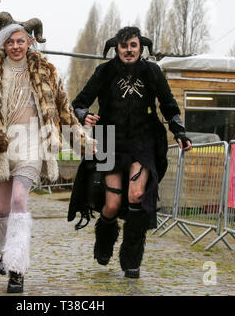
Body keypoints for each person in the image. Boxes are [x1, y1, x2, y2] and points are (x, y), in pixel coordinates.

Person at [0, 12, 95, 293]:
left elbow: (65, 113)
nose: (16, 46)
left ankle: (16, 270)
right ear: (3, 44)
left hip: (32, 143)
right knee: (3, 208)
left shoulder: (47, 71)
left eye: (21, 41)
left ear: (30, 42)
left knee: (20, 200)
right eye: (10, 42)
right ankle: (6, 253)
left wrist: (85, 144)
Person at [68, 26, 192, 279]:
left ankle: (131, 260)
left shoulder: (152, 71)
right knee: (111, 204)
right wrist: (83, 115)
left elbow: (168, 105)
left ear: (140, 47)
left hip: (143, 140)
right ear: (117, 48)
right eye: (124, 46)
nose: (128, 50)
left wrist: (179, 131)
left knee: (137, 196)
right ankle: (104, 244)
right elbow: (79, 103)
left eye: (133, 45)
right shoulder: (104, 71)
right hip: (108, 138)